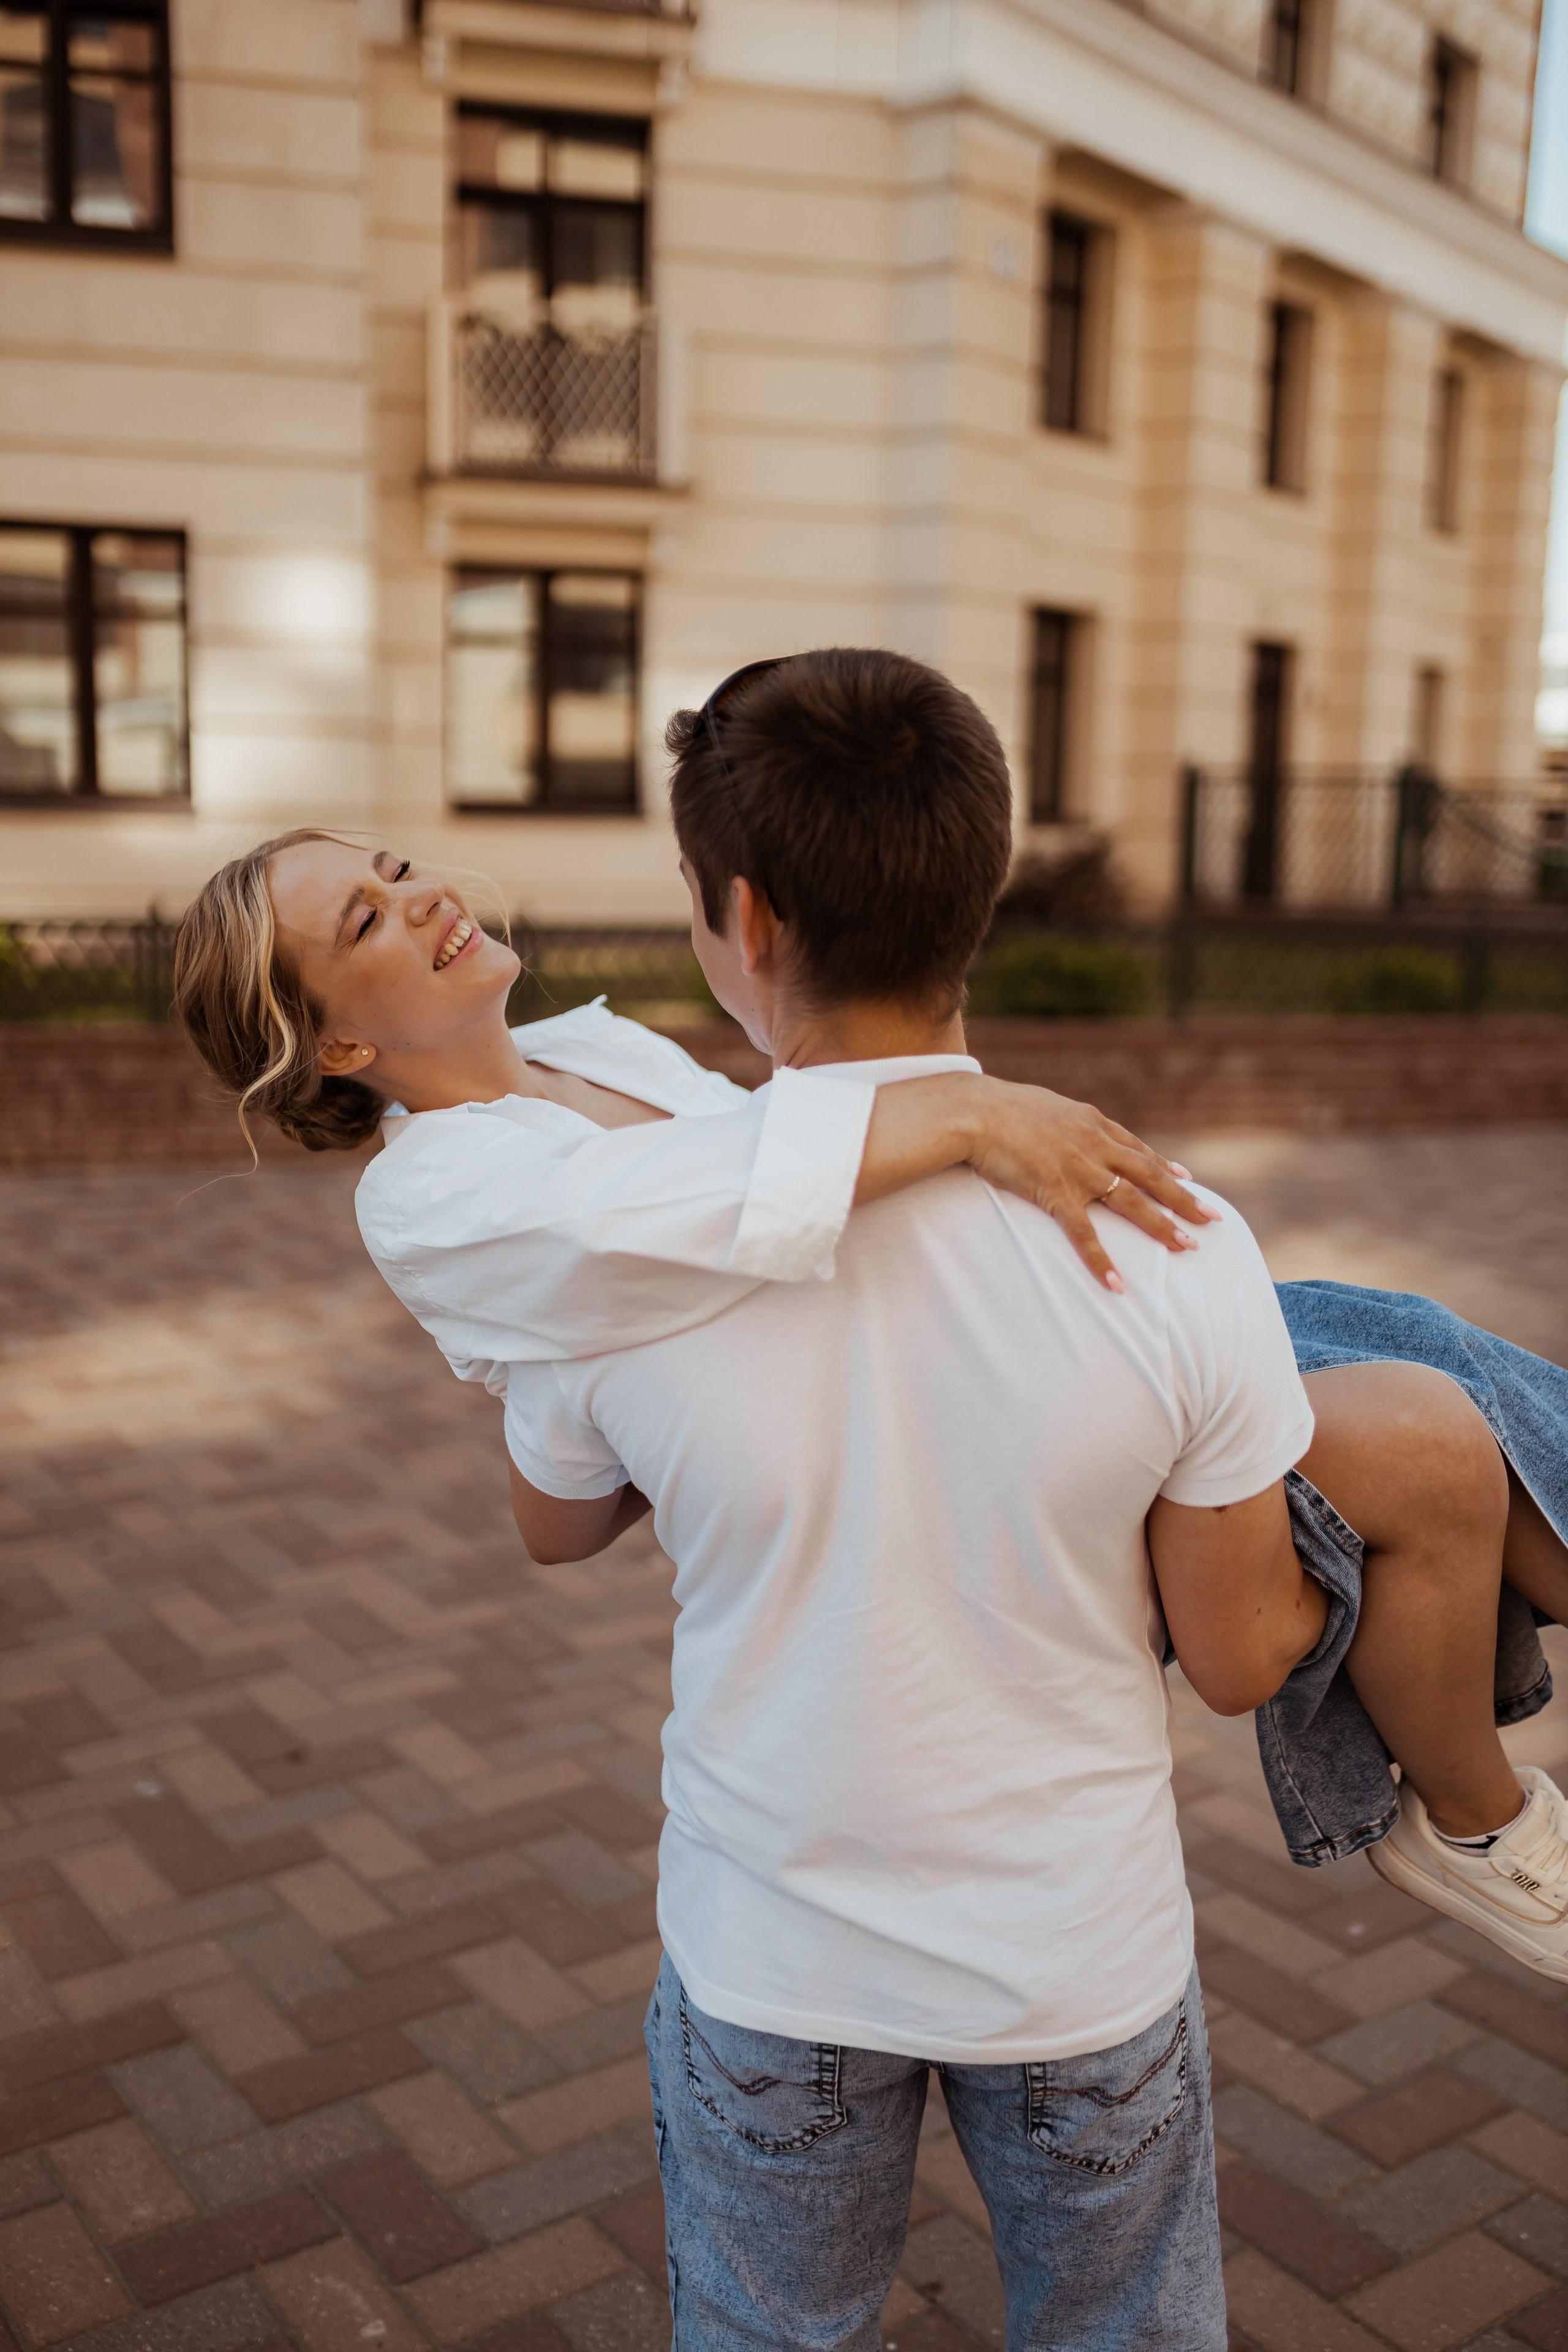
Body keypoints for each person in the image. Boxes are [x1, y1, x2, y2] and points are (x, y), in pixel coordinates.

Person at [172, 649, 1568, 2346]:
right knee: (1363, 1392)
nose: (418, 897)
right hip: (1057, 1949)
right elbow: (667, 1257)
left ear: (742, 924)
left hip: (782, 1944)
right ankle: (1471, 1785)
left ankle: (1483, 1694)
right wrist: (973, 1118)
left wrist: (952, 1157)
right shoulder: (474, 1208)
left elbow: (732, 1200)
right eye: (367, 919)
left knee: (1402, 1351)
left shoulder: (595, 1078)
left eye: (396, 869)